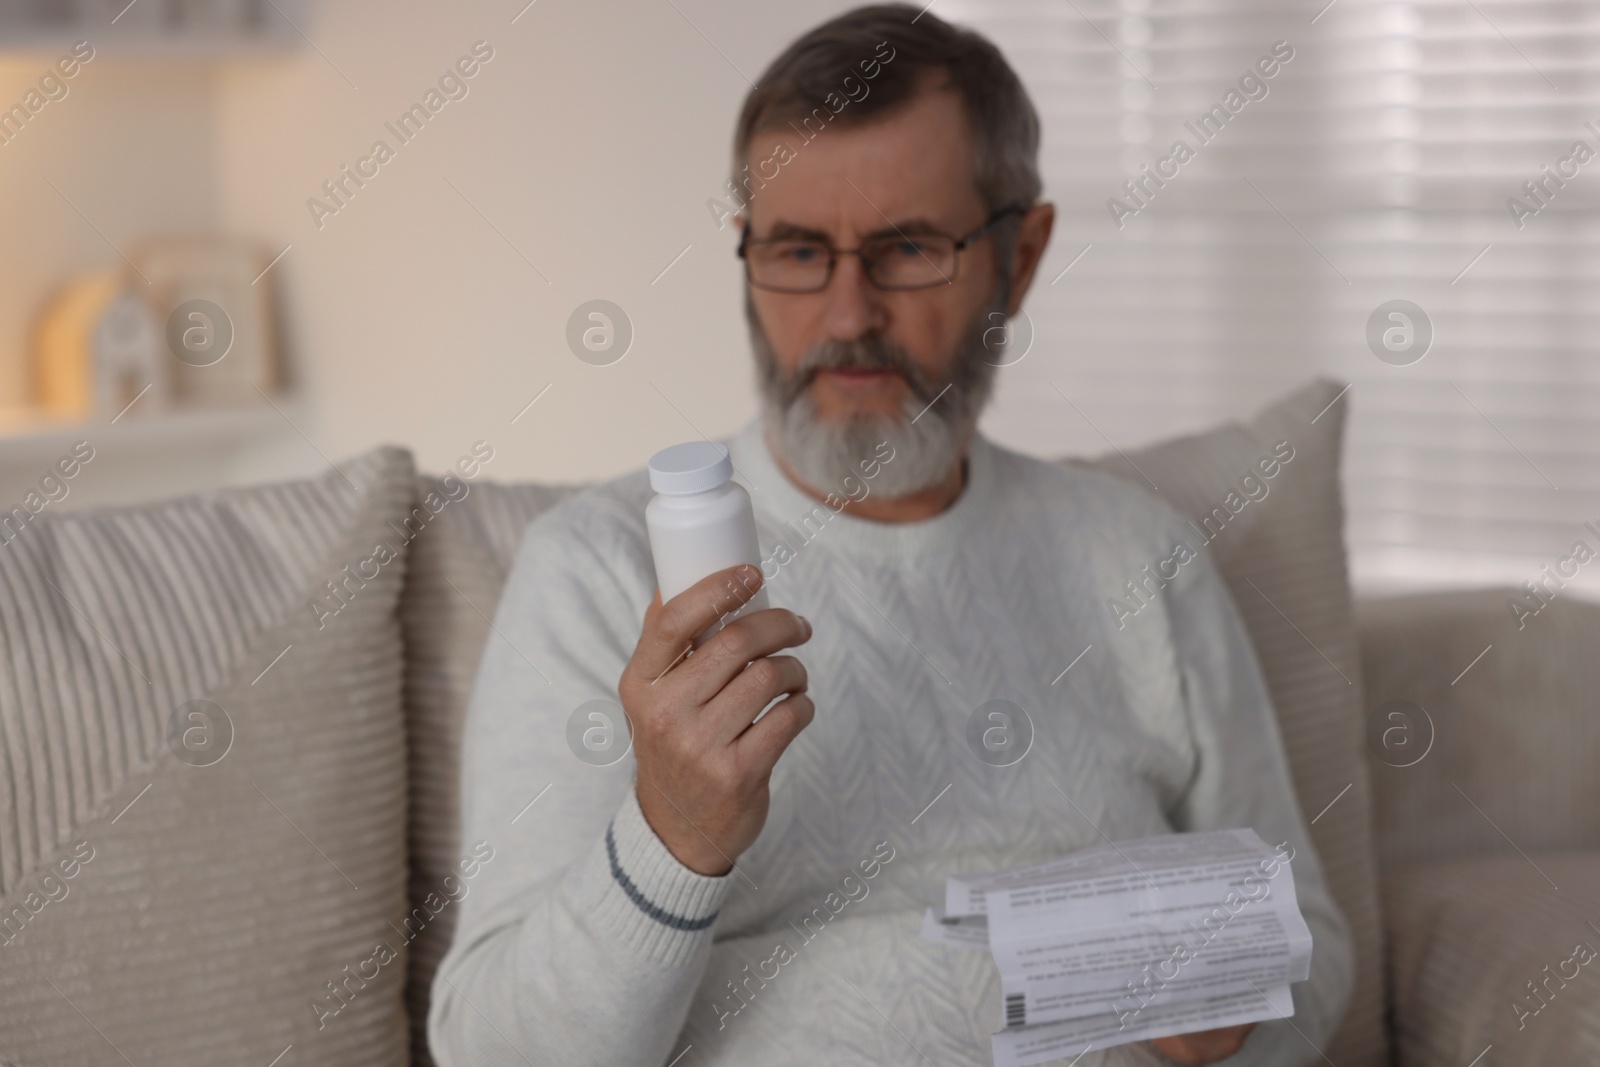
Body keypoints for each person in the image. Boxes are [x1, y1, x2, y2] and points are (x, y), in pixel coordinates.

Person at [427, 5, 1353, 1065]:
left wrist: (1239, 1016)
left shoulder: (1142, 557)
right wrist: (673, 833)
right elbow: (491, 1051)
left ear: (1021, 256)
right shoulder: (594, 574)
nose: (846, 313)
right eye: (796, 250)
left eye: (908, 249)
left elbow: (1308, 938)